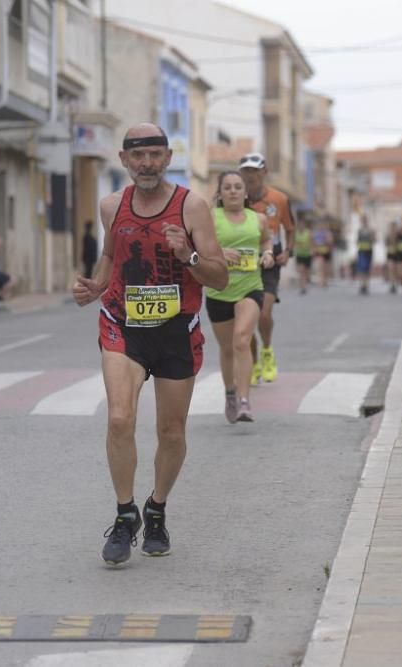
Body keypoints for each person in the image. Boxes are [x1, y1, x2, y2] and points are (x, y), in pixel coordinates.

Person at [72, 123, 227, 566]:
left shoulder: (191, 207)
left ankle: (156, 509)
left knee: (171, 432)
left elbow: (219, 275)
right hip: (122, 325)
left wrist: (188, 257)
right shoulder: (111, 206)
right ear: (123, 160)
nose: (146, 164)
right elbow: (110, 256)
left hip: (177, 330)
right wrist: (94, 287)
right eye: (138, 156)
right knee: (120, 418)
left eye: (155, 155)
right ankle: (125, 516)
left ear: (167, 157)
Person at [206, 171, 274, 423]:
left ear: (246, 192)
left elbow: (267, 242)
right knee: (226, 349)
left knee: (242, 340)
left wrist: (267, 255)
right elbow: (198, 247)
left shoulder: (259, 219)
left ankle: (245, 401)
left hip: (250, 287)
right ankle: (230, 393)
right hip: (219, 290)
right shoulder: (211, 218)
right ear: (220, 193)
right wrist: (219, 252)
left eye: (238, 187)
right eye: (227, 187)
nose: (233, 191)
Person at [238, 152, 294, 385]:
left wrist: (288, 251)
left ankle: (267, 351)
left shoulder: (278, 199)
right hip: (243, 262)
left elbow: (290, 229)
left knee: (264, 313)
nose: (250, 175)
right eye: (246, 171)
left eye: (254, 170)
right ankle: (252, 361)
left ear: (264, 172)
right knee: (247, 319)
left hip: (270, 259)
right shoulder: (233, 198)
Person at [354, 215, 375, 295]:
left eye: (365, 220)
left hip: (368, 251)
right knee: (361, 268)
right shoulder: (359, 230)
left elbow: (374, 240)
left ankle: (366, 285)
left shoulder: (371, 230)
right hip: (361, 251)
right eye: (362, 220)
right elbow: (357, 241)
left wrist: (371, 236)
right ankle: (361, 284)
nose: (364, 222)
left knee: (367, 268)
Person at [293, 218, 312, 294]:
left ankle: (305, 284)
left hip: (307, 254)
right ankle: (302, 287)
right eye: (300, 225)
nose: (301, 226)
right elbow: (294, 243)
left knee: (306, 272)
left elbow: (311, 242)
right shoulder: (296, 233)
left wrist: (312, 249)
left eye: (302, 225)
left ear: (304, 225)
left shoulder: (308, 233)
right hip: (299, 254)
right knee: (301, 271)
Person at [312, 221, 334, 288]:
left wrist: (327, 244)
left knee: (325, 268)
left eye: (323, 225)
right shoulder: (316, 233)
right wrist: (314, 249)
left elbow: (330, 242)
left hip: (326, 252)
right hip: (319, 252)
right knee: (320, 266)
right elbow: (313, 242)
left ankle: (325, 281)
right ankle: (320, 281)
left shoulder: (328, 233)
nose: (321, 226)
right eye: (320, 225)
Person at [385, 221, 399, 294]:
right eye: (392, 227)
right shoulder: (388, 235)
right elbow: (386, 244)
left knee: (395, 270)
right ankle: (392, 284)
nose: (393, 228)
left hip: (397, 254)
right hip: (390, 254)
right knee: (391, 269)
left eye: (394, 227)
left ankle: (395, 284)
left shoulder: (398, 235)